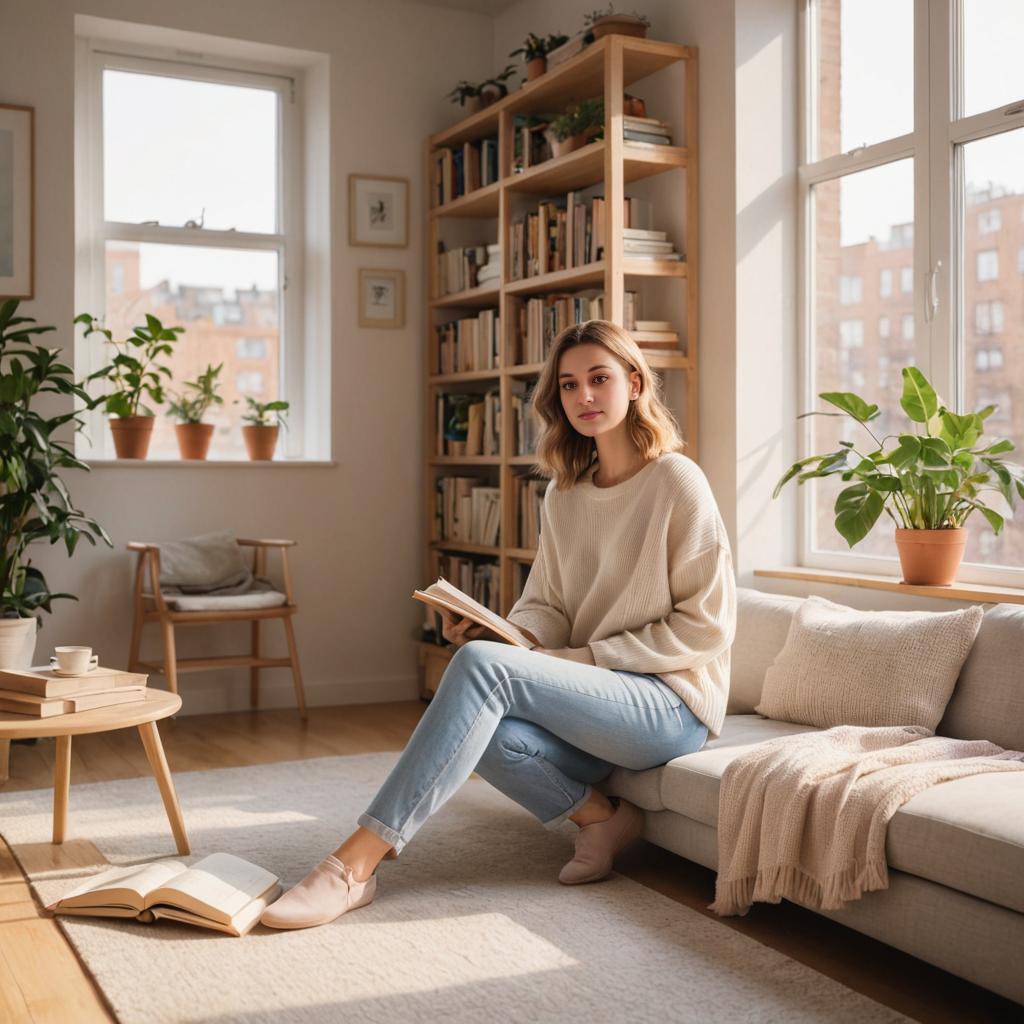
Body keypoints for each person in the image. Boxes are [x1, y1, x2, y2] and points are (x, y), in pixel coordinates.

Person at [261, 320, 737, 930]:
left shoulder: (677, 481)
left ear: (635, 383)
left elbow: (706, 628)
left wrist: (579, 660)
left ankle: (354, 866)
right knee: (473, 718)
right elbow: (549, 605)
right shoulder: (565, 494)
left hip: (669, 705)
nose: (584, 397)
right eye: (569, 386)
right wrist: (509, 637)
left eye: (600, 379)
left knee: (481, 677)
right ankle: (599, 816)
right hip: (597, 700)